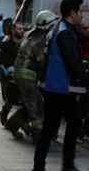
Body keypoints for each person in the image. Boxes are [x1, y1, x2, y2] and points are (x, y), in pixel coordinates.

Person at [32, 0, 89, 171]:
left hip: (60, 86)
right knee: (50, 128)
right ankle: (39, 170)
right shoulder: (64, 34)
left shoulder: (62, 28)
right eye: (80, 12)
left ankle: (67, 166)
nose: (82, 15)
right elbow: (73, 61)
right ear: (72, 13)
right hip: (57, 87)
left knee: (74, 121)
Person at [9, 11, 58, 141]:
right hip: (27, 75)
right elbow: (40, 60)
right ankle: (37, 134)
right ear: (46, 25)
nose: (53, 28)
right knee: (36, 105)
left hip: (20, 73)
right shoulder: (40, 40)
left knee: (30, 102)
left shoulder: (29, 34)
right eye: (52, 25)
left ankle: (13, 124)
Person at [0, 21, 25, 132]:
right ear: (13, 31)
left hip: (22, 74)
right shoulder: (6, 43)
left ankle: (20, 122)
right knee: (12, 98)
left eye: (22, 29)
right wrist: (6, 71)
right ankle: (4, 112)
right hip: (9, 75)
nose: (21, 31)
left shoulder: (25, 44)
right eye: (19, 29)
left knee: (23, 99)